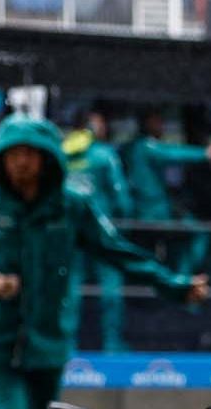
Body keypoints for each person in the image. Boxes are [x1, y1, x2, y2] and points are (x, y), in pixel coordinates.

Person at [0, 117, 208, 409]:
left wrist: (174, 285)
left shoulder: (72, 204)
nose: (21, 162)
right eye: (13, 153)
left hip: (49, 338)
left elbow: (118, 252)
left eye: (30, 153)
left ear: (47, 158)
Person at [63, 109, 134, 352]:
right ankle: (112, 345)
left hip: (68, 231)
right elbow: (122, 198)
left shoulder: (61, 154)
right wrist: (124, 221)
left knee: (69, 288)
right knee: (111, 287)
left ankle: (68, 344)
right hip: (101, 230)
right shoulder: (104, 155)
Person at [120, 108, 211, 274]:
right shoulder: (146, 146)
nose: (162, 126)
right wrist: (204, 154)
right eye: (158, 121)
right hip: (154, 213)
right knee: (196, 233)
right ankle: (182, 279)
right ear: (148, 122)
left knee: (149, 256)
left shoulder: (128, 148)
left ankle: (163, 286)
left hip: (140, 213)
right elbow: (171, 153)